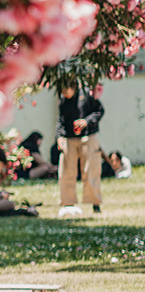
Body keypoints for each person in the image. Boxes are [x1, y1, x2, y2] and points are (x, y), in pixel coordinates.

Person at [59, 82, 105, 215]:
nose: (64, 93)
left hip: (88, 137)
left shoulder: (87, 94)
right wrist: (59, 136)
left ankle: (95, 203)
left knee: (91, 170)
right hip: (69, 138)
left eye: (65, 89)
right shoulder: (63, 101)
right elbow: (60, 120)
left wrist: (87, 121)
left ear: (73, 87)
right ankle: (68, 203)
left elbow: (100, 111)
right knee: (67, 171)